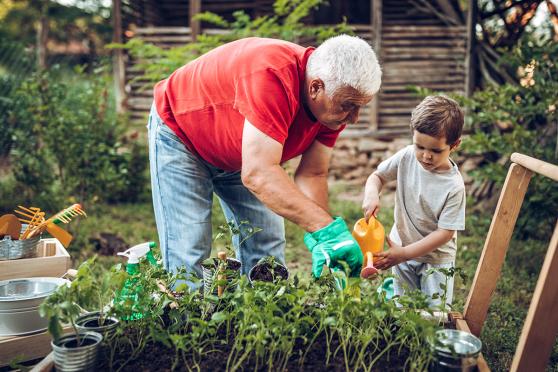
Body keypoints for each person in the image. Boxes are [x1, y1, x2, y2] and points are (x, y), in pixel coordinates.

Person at [148, 35, 382, 284]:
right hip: (182, 137)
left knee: (267, 247)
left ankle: (259, 320)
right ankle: (183, 322)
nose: (355, 118)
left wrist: (323, 238)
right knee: (189, 247)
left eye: (361, 107)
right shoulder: (273, 75)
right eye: (349, 106)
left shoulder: (333, 108)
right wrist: (329, 230)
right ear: (315, 87)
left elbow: (312, 173)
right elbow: (258, 173)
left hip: (247, 154)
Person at [361, 95, 465, 307]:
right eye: (420, 147)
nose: (426, 156)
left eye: (436, 150)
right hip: (401, 247)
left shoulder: (454, 187)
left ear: (454, 145)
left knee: (435, 316)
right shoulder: (407, 156)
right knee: (403, 310)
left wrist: (404, 254)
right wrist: (372, 193)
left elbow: (445, 233)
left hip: (436, 260)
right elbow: (377, 176)